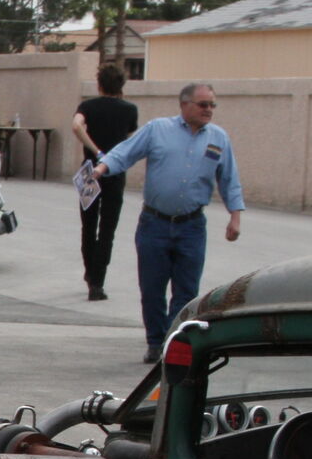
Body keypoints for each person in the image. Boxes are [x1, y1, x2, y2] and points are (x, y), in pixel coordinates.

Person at [92, 83, 244, 362]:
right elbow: (125, 152)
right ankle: (154, 342)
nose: (208, 110)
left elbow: (229, 179)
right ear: (184, 105)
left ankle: (173, 343)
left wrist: (235, 217)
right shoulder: (157, 130)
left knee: (186, 292)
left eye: (212, 105)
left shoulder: (219, 138)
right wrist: (101, 169)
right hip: (155, 224)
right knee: (152, 288)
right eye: (203, 104)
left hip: (192, 226)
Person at [72, 64, 139, 301]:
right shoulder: (130, 110)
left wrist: (95, 150)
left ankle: (90, 273)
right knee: (107, 229)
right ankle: (98, 281)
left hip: (90, 171)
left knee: (88, 225)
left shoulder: (87, 106)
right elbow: (129, 137)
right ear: (121, 85)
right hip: (115, 172)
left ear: (99, 84)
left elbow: (76, 125)